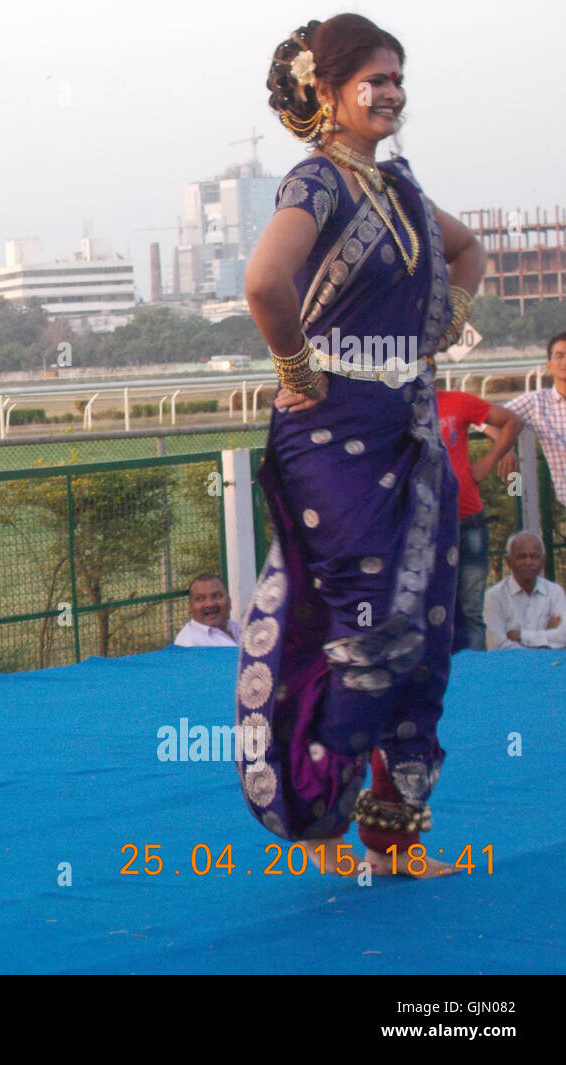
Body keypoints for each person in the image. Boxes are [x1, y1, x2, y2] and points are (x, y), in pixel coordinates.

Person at [235, 14, 485, 877]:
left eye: (397, 77)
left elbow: (470, 249)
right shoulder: (317, 184)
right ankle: (315, 801)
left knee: (425, 625)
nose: (390, 92)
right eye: (372, 79)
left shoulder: (401, 188)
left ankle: (395, 828)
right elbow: (264, 281)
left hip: (407, 432)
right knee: (367, 623)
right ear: (327, 93)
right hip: (333, 433)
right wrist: (298, 368)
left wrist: (438, 325)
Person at [434, 390, 521, 651]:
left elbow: (512, 421)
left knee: (470, 611)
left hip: (467, 520)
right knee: (434, 612)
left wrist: (489, 460)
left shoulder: (457, 401)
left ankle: (475, 682)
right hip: (424, 527)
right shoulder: (396, 408)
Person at [498, 332, 566, 507]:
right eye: (560, 356)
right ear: (549, 365)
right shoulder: (537, 403)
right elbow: (483, 419)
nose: (565, 361)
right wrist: (505, 448)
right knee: (518, 501)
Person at [483, 532, 566, 649]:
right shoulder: (494, 597)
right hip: (512, 666)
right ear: (508, 561)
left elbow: (564, 636)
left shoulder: (554, 592)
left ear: (543, 560)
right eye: (521, 557)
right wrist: (547, 640)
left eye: (534, 556)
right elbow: (497, 646)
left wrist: (522, 636)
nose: (528, 562)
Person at [173, 573, 241, 647]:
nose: (210, 604)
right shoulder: (190, 643)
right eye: (200, 599)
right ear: (190, 607)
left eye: (217, 596)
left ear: (229, 601)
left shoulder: (238, 628)